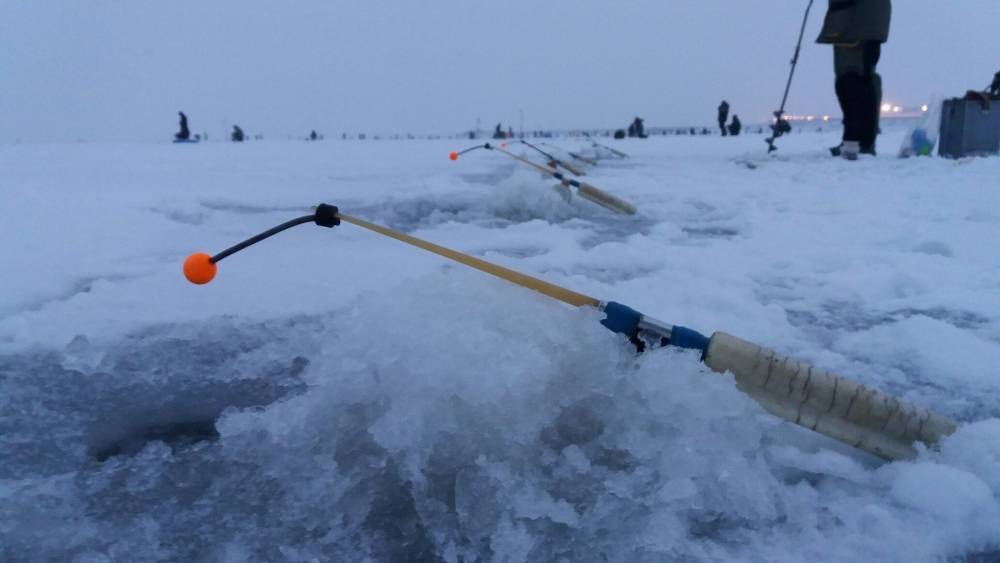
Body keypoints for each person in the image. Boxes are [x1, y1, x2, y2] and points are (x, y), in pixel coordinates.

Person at [818, 0, 891, 160]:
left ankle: (858, 142)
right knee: (857, 79)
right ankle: (857, 141)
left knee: (851, 80)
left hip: (855, 23)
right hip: (860, 22)